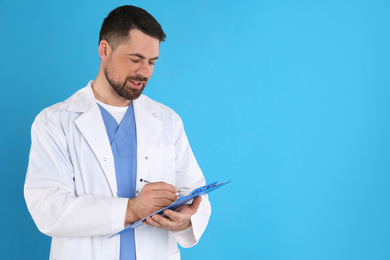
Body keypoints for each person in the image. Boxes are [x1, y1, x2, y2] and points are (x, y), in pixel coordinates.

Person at [24, 5, 211, 260]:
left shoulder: (167, 120)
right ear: (104, 50)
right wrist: (132, 209)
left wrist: (183, 221)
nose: (144, 72)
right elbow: (48, 208)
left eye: (151, 62)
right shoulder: (54, 122)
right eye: (135, 59)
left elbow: (195, 194)